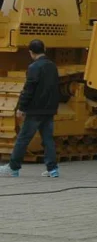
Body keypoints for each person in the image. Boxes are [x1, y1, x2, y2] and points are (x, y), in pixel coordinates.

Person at [0, 39, 61, 178]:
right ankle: (53, 169)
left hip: (35, 110)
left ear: (31, 52)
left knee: (23, 138)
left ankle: (13, 168)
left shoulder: (34, 67)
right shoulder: (52, 66)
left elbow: (29, 89)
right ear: (44, 50)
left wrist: (21, 107)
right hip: (49, 109)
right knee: (48, 139)